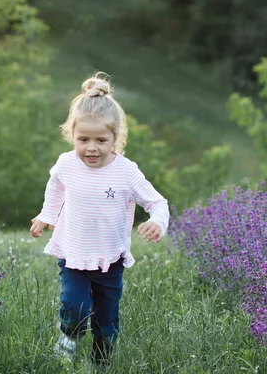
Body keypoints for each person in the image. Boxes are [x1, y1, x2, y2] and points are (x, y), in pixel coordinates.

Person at [30, 72, 169, 368]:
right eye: (83, 140)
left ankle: (100, 363)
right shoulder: (67, 163)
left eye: (100, 140)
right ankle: (68, 337)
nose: (91, 148)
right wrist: (47, 214)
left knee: (106, 321)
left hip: (110, 260)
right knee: (75, 308)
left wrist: (158, 221)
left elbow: (158, 202)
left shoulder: (126, 171)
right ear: (72, 135)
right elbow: (55, 186)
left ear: (115, 139)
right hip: (73, 254)